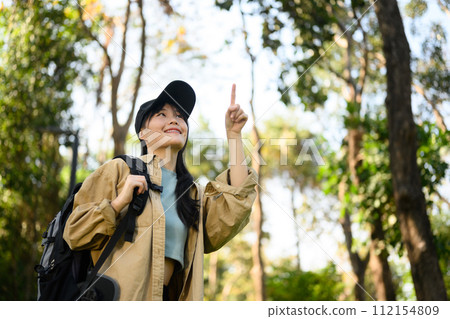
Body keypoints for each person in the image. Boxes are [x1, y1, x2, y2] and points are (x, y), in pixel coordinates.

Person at [63, 80, 258, 300]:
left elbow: (235, 203)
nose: (174, 119)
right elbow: (74, 233)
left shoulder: (193, 195)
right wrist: (118, 204)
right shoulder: (118, 170)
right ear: (143, 133)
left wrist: (233, 135)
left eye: (180, 116)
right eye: (162, 114)